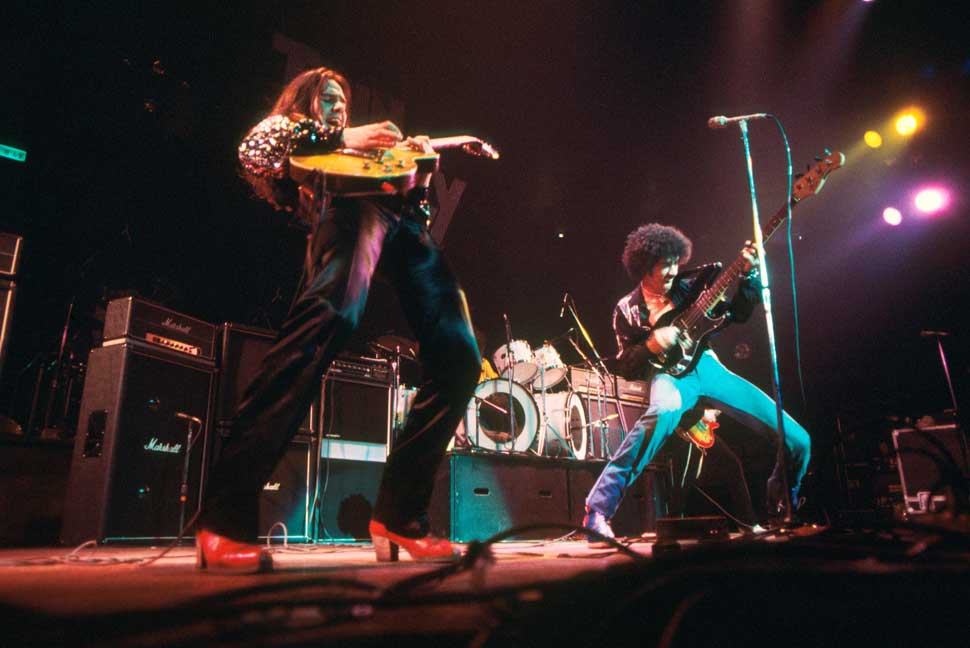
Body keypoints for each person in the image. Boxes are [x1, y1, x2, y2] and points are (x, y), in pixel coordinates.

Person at [197, 67, 481, 571]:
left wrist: (416, 166)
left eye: (344, 103)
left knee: (460, 356)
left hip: (404, 223)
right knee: (329, 322)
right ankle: (223, 519)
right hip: (351, 214)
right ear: (304, 104)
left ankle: (401, 514)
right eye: (328, 99)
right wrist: (345, 136)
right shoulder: (306, 142)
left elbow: (415, 203)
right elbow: (254, 150)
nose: (339, 107)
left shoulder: (369, 150)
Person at [583, 223, 810, 542]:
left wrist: (748, 277)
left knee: (799, 440)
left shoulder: (692, 284)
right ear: (646, 267)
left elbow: (739, 314)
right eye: (666, 264)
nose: (674, 270)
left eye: (677, 261)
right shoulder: (627, 309)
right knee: (659, 415)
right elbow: (625, 366)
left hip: (708, 365)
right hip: (671, 378)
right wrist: (650, 344)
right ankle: (597, 513)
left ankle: (782, 501)